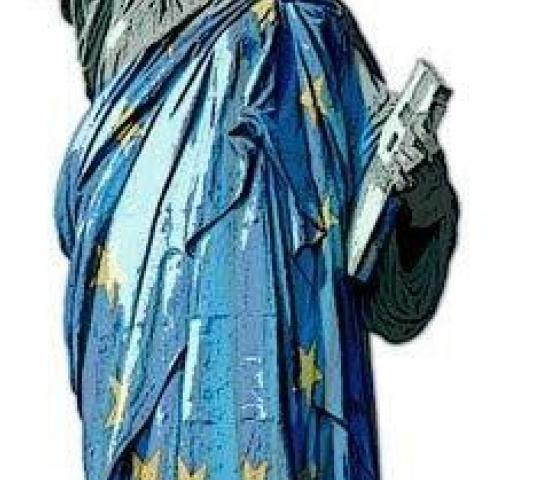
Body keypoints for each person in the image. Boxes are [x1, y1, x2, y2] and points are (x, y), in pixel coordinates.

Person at [54, 1, 459, 479]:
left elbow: (392, 293)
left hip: (289, 383)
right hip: (145, 311)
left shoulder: (311, 28)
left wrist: (422, 195)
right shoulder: (138, 31)